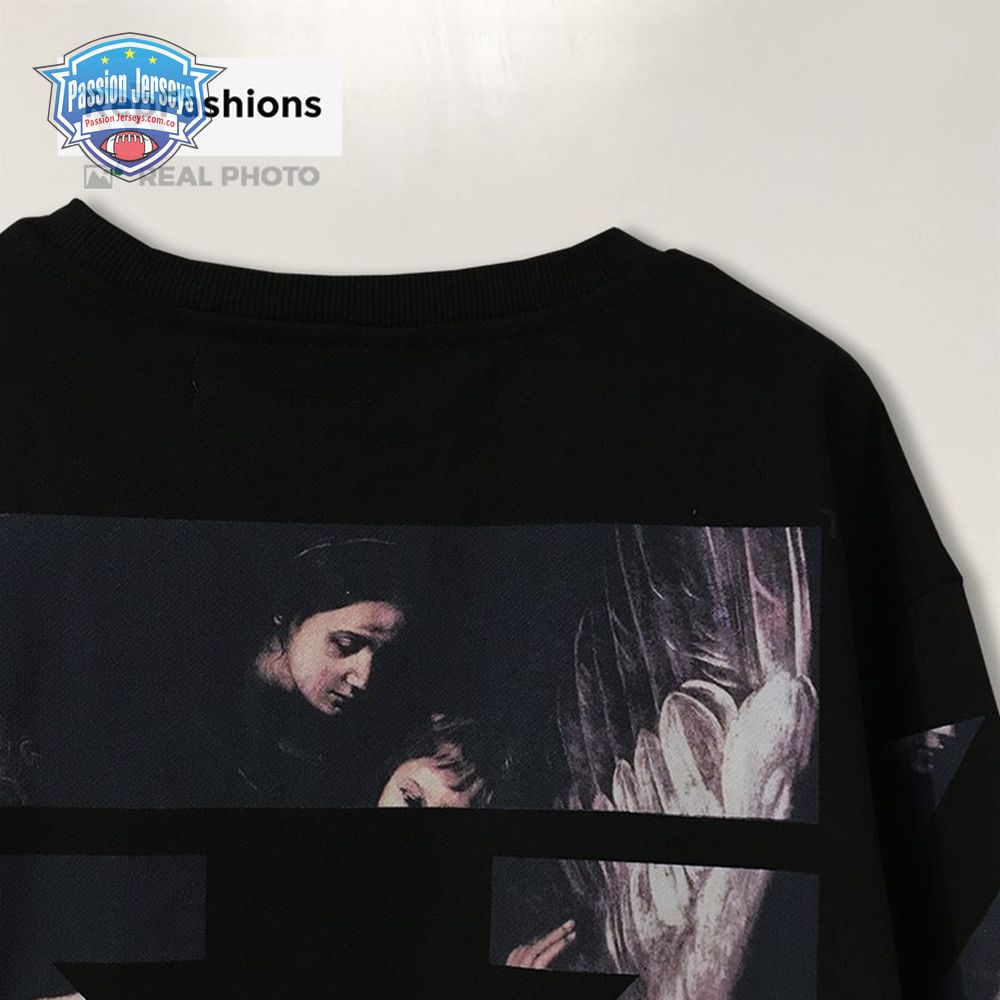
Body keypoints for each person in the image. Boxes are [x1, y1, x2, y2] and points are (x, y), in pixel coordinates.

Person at [193, 535, 419, 806]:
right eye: (345, 644)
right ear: (289, 615)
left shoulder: (338, 746)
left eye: (381, 657)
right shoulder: (198, 708)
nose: (363, 679)